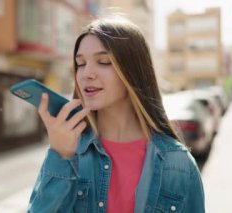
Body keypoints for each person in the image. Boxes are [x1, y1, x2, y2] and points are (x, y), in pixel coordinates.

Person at [28, 16, 205, 213]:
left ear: (133, 71)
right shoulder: (68, 152)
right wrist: (60, 156)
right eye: (80, 63)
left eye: (103, 61)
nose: (87, 73)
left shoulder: (178, 164)